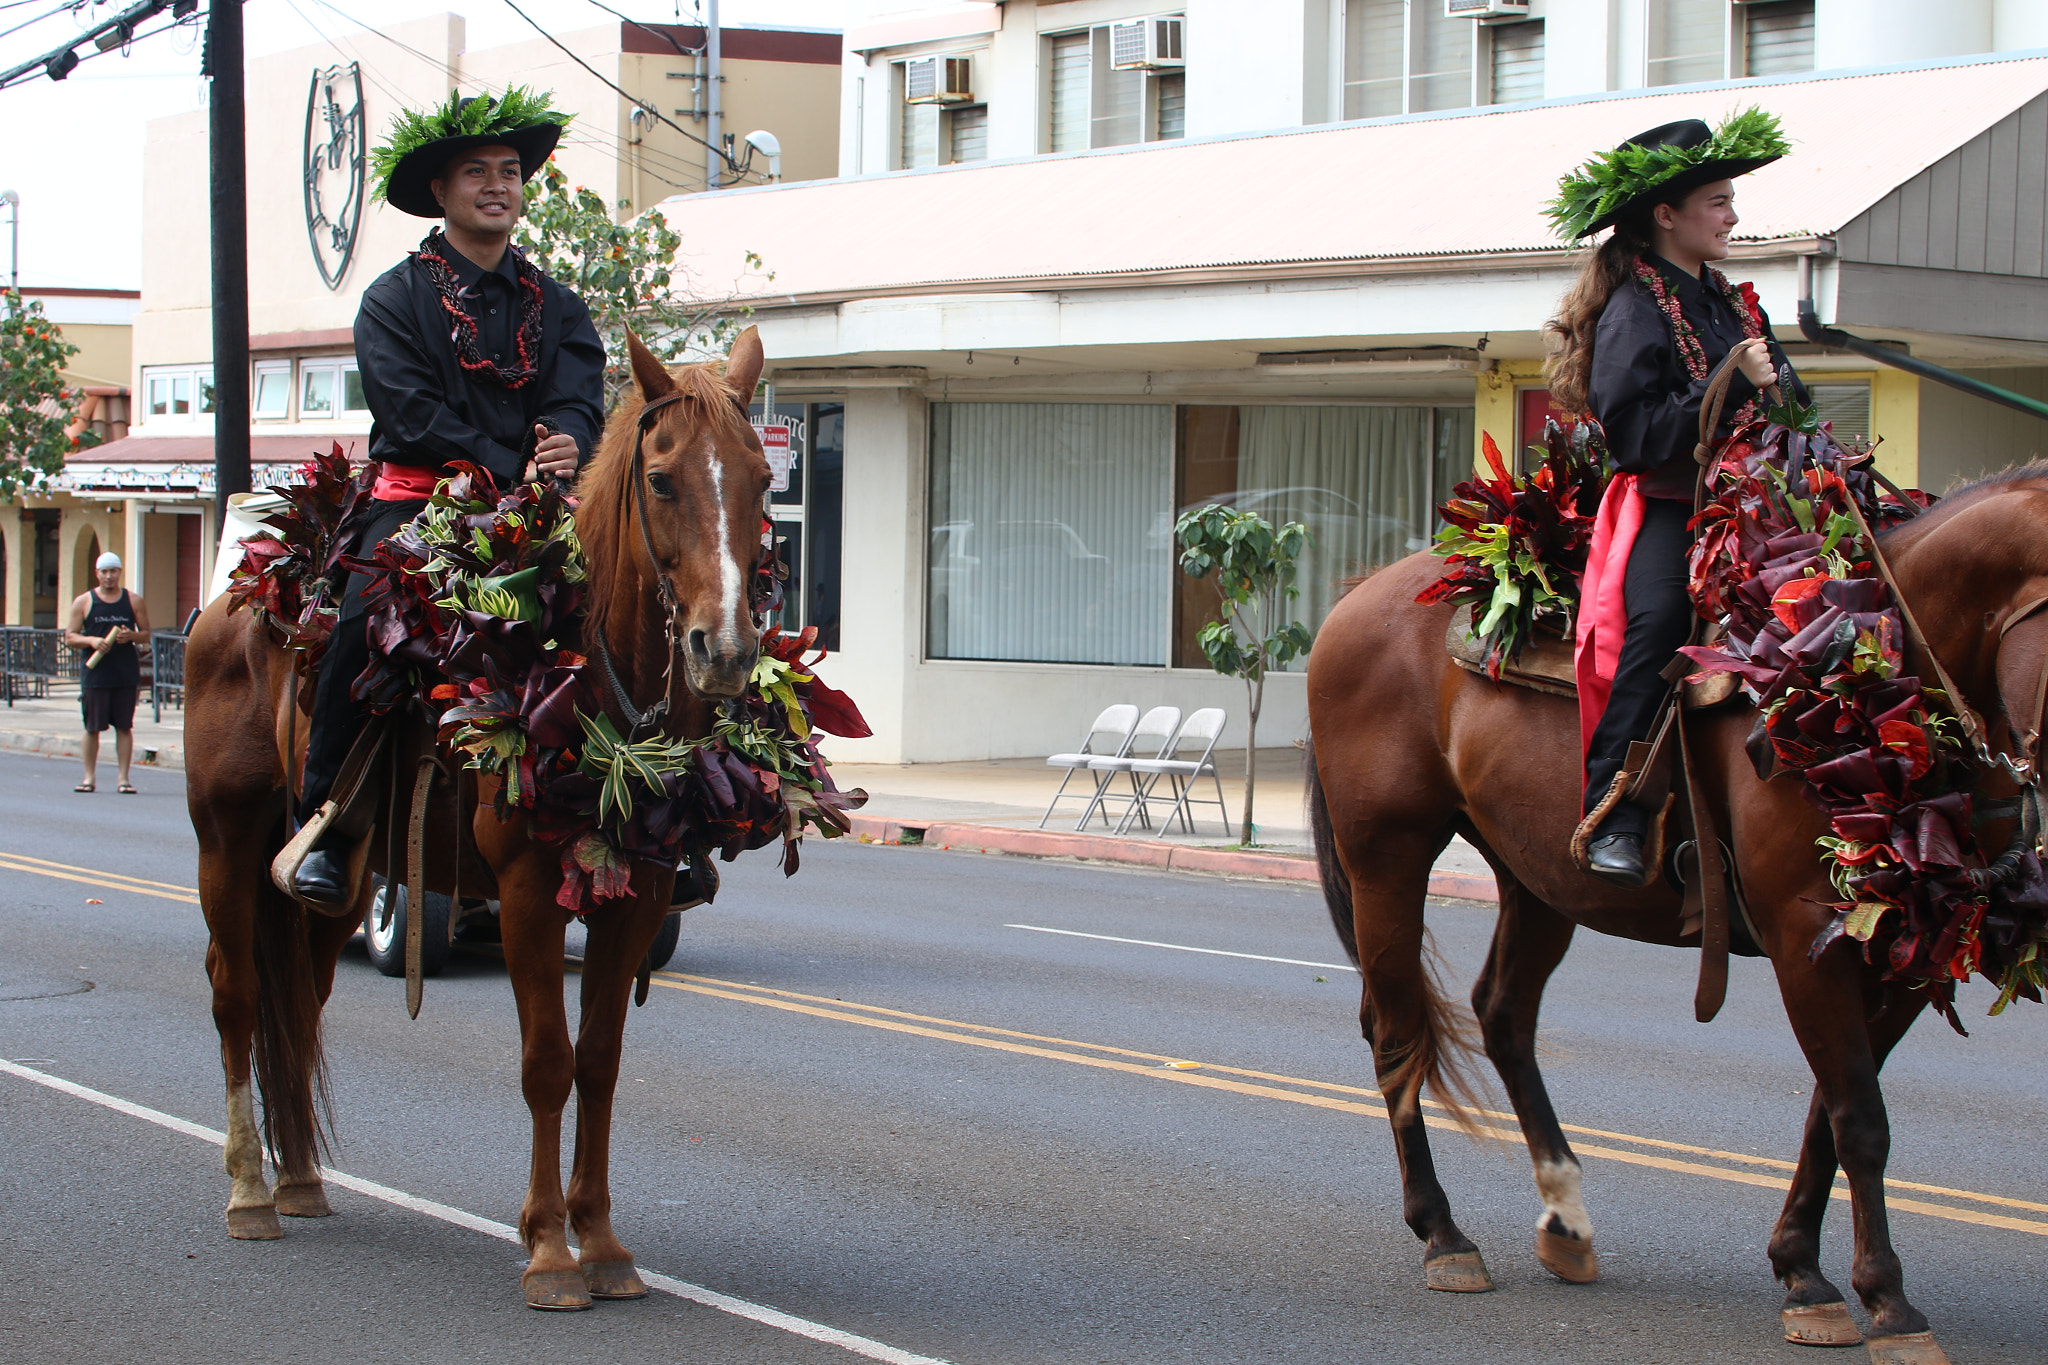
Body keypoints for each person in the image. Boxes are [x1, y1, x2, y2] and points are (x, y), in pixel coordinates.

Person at [292, 88, 606, 907]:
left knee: (630, 613)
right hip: (422, 504)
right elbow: (412, 414)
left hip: (538, 513)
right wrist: (513, 461)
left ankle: (641, 809)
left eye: (510, 171)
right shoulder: (392, 301)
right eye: (477, 172)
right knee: (366, 616)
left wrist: (572, 440)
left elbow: (580, 397)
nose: (497, 185)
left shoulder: (561, 307)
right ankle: (327, 819)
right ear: (441, 190)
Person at [1544, 112, 1806, 887]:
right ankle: (1615, 810)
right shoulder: (1633, 307)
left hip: (1757, 511)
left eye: (1730, 201)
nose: (1732, 215)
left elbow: (1789, 404)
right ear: (1667, 215)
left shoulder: (1736, 302)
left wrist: (1781, 393)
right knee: (1657, 626)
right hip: (1667, 508)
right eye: (1718, 202)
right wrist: (1728, 382)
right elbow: (1635, 433)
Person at [63, 550, 151, 794]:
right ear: (97, 574)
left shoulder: (133, 600)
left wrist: (131, 636)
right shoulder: (84, 601)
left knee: (124, 726)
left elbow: (146, 633)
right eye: (104, 572)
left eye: (113, 571)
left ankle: (123, 778)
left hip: (124, 673)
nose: (109, 576)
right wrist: (91, 641)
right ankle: (88, 778)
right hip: (95, 674)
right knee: (92, 727)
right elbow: (70, 636)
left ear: (119, 572)